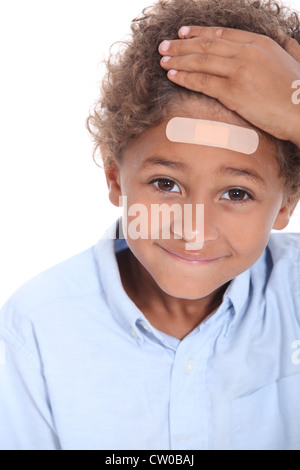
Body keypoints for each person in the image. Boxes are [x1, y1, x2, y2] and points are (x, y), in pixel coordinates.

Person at [0, 0, 300, 450]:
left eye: (236, 194)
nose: (194, 229)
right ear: (116, 178)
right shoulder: (37, 327)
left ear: (285, 205)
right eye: (166, 183)